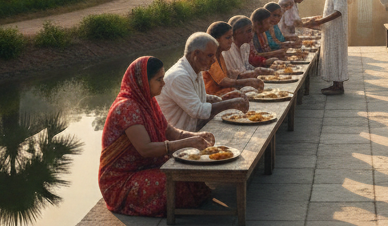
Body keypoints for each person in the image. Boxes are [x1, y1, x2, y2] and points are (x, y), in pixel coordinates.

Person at [99, 56, 214, 217]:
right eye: (159, 79)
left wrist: (197, 136)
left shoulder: (149, 102)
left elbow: (171, 132)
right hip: (122, 180)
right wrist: (187, 143)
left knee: (193, 179)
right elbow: (145, 149)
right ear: (143, 82)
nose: (163, 83)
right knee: (176, 184)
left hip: (147, 167)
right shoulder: (127, 107)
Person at [157, 33, 250, 131]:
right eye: (210, 55)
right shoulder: (179, 76)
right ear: (195, 54)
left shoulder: (195, 68)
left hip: (193, 130)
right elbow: (198, 110)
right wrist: (230, 104)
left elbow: (199, 97)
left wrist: (222, 99)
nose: (214, 60)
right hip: (178, 138)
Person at [307, 0, 348, 95]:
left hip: (336, 31)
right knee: (332, 56)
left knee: (336, 56)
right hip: (331, 30)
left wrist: (320, 21)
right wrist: (319, 18)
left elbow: (338, 12)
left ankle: (338, 85)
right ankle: (335, 84)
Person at [203, 22, 264, 96]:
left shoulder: (219, 54)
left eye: (231, 37)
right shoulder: (210, 56)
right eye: (227, 38)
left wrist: (243, 76)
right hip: (212, 96)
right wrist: (246, 81)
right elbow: (223, 81)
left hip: (222, 91)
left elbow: (226, 75)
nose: (231, 41)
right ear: (216, 40)